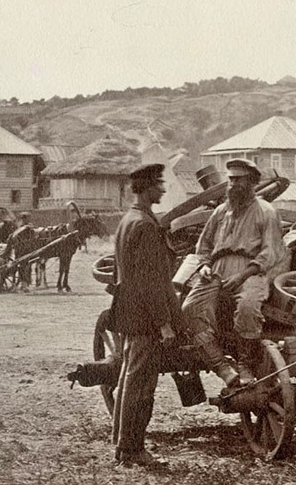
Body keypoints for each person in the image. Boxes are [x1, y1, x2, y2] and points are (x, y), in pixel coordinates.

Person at [181, 158, 288, 386]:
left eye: (238, 180)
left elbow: (271, 252)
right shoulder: (221, 211)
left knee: (248, 308)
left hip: (250, 272)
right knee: (190, 308)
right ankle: (221, 366)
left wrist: (242, 276)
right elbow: (204, 245)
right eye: (230, 180)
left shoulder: (266, 212)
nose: (232, 185)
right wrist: (206, 265)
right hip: (216, 270)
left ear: (251, 182)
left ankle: (245, 364)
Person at [109, 163, 184, 467]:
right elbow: (153, 281)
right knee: (140, 384)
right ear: (147, 188)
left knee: (129, 377)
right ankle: (132, 449)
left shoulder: (128, 220)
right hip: (145, 318)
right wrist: (164, 323)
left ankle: (122, 444)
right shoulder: (146, 226)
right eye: (159, 185)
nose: (163, 190)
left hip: (130, 312)